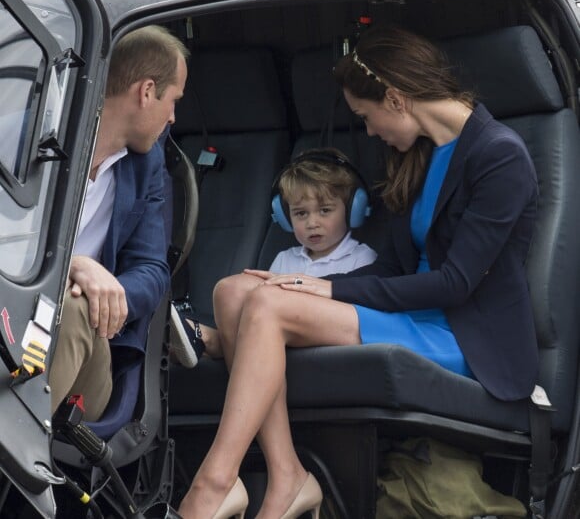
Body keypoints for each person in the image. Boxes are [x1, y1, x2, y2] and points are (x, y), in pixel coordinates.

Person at [177, 25, 539, 519]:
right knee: (234, 290)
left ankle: (215, 481)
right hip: (413, 314)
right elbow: (391, 268)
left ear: (394, 99)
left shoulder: (500, 155)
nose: (369, 131)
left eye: (366, 116)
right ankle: (287, 476)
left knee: (266, 303)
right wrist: (314, 287)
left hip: (461, 335)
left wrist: (324, 288)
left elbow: (456, 283)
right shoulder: (419, 157)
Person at [48, 25, 189, 422]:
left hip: (85, 344)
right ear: (146, 93)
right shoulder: (31, 139)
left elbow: (151, 270)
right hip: (13, 317)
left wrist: (107, 294)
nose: (173, 117)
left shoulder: (147, 164)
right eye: (173, 100)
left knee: (75, 307)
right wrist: (73, 265)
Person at [170, 147, 378, 366]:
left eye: (325, 210)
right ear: (285, 217)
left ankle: (207, 338)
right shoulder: (285, 259)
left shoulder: (362, 257)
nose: (312, 223)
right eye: (301, 213)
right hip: (276, 340)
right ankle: (205, 340)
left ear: (352, 210)